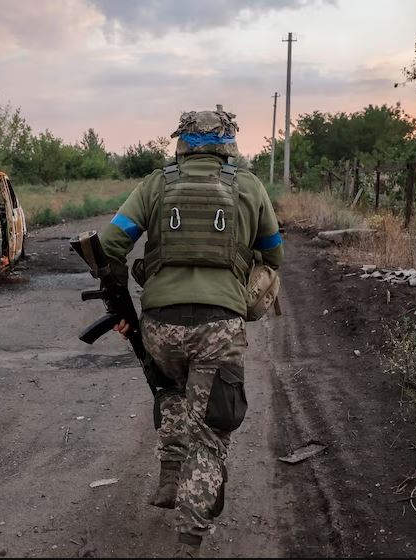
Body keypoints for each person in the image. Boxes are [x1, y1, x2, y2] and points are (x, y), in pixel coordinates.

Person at [98, 106, 284, 557]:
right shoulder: (250, 186)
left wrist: (122, 299)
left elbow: (109, 243)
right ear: (228, 145)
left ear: (181, 143)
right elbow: (273, 254)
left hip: (161, 325)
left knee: (172, 392)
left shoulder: (155, 184)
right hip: (218, 328)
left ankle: (168, 479)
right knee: (212, 431)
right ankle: (189, 541)